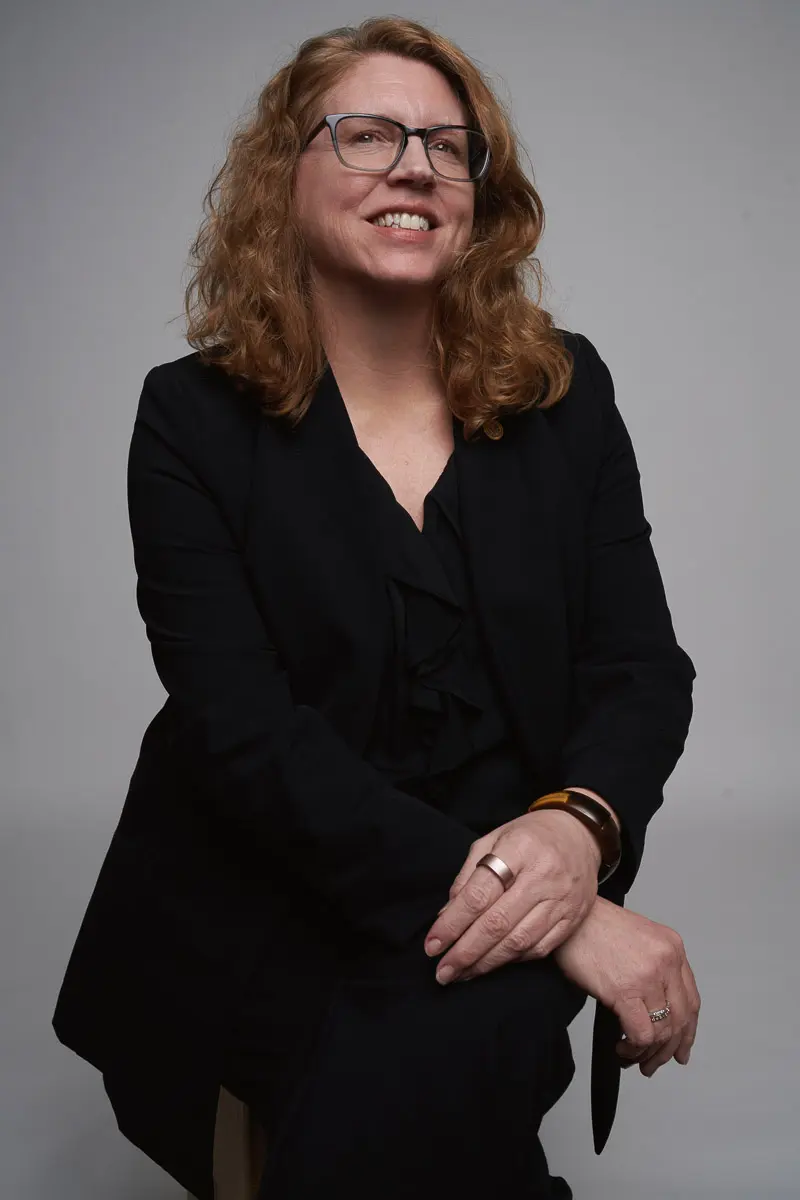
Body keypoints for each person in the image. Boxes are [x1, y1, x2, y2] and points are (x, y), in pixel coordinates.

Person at [52, 16, 700, 1200]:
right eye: (367, 134)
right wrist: (559, 917)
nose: (414, 165)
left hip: (513, 868)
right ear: (281, 180)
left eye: (449, 148)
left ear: (475, 199)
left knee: (450, 1046)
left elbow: (638, 667)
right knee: (428, 1071)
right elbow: (243, 735)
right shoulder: (187, 420)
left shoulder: (566, 390)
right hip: (269, 890)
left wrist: (578, 836)